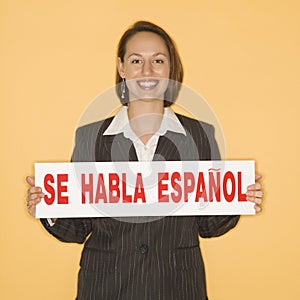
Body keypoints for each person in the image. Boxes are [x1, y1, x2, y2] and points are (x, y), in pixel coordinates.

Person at [26, 21, 263, 300]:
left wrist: (238, 198)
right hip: (105, 288)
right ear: (121, 68)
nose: (147, 70)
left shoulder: (200, 135)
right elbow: (77, 229)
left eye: (158, 60)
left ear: (170, 68)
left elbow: (209, 225)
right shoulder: (90, 137)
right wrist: (49, 207)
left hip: (177, 287)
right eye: (136, 60)